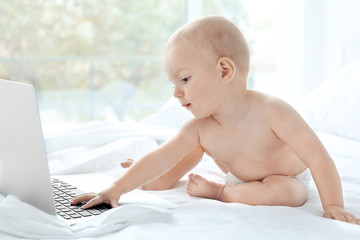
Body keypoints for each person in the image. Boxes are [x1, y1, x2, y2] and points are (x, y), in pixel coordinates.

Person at [72, 15, 360, 224]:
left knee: (288, 192)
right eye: (173, 83)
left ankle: (222, 192)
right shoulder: (201, 128)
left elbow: (319, 158)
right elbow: (161, 155)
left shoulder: (274, 111)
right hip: (240, 176)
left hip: (286, 175)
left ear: (224, 71)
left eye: (184, 78)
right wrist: (115, 189)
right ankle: (146, 175)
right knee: (157, 178)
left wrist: (333, 205)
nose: (176, 92)